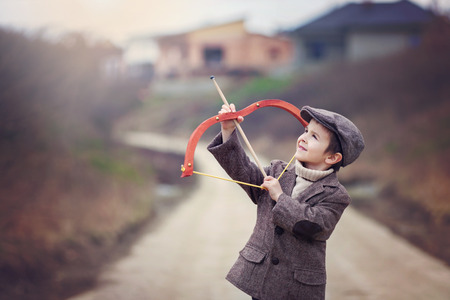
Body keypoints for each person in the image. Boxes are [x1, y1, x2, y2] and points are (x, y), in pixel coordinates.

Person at [207, 103, 365, 300]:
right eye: (306, 131)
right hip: (262, 282)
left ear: (333, 157)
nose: (304, 138)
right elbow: (243, 170)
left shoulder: (336, 195)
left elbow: (314, 226)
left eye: (314, 137)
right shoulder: (276, 171)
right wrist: (228, 130)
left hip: (297, 289)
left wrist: (280, 197)